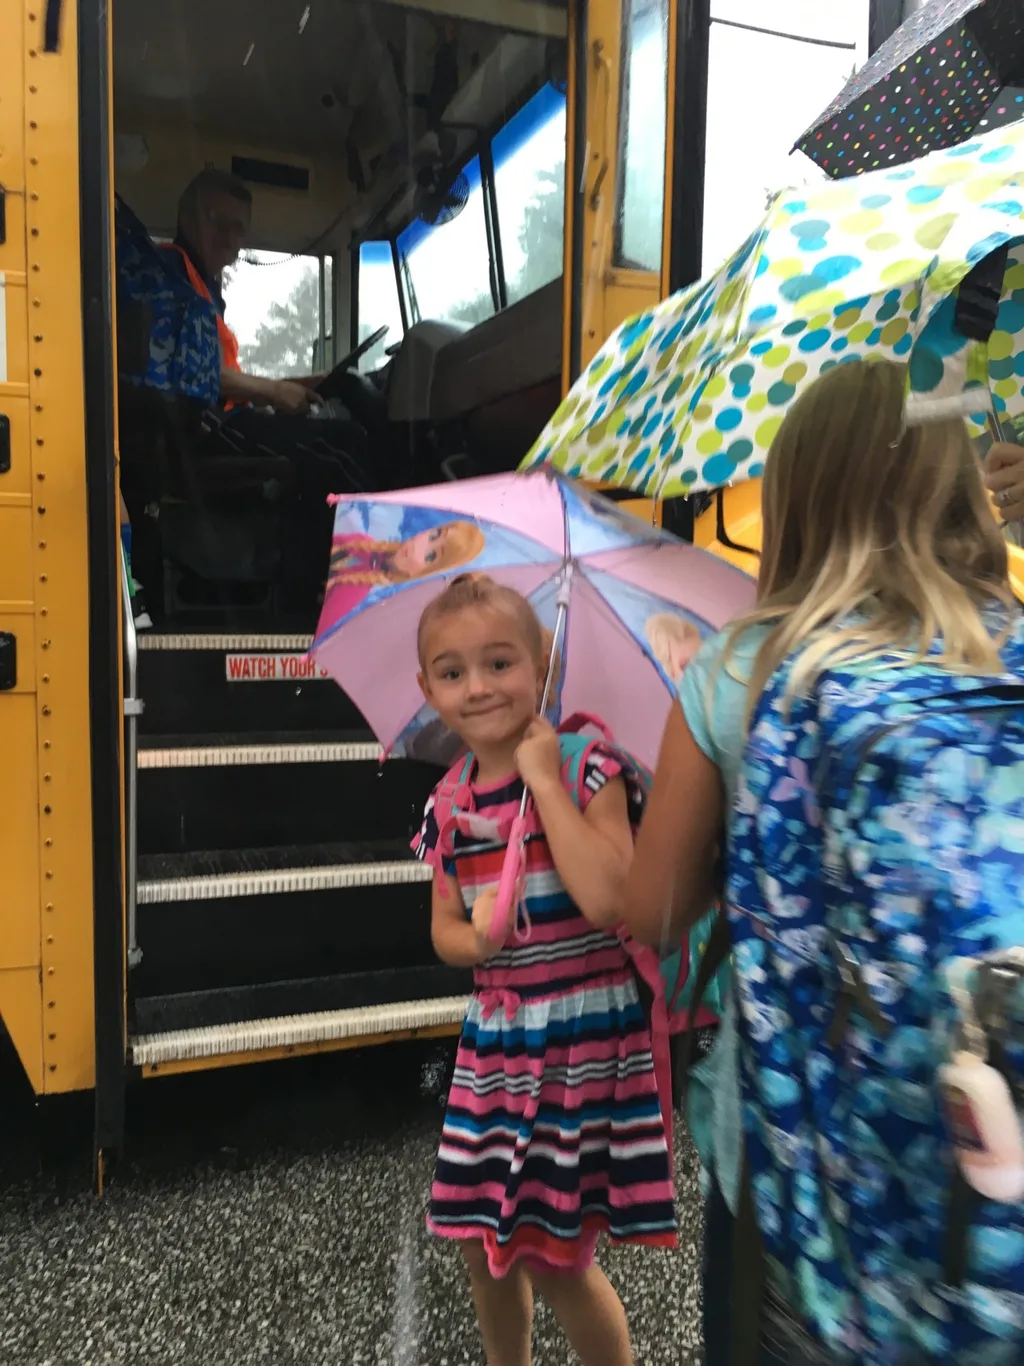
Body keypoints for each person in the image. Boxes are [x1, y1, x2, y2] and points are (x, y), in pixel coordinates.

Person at [619, 359, 1023, 1364]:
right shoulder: (1009, 650)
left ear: (800, 490)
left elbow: (656, 908)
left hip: (795, 1171)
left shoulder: (744, 665)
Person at [413, 573, 676, 1366]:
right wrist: (478, 944)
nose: (479, 687)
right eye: (452, 672)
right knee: (474, 1235)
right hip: (497, 1044)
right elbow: (444, 931)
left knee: (553, 1255)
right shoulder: (448, 801)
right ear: (426, 688)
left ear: (543, 665)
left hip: (580, 1041)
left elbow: (607, 899)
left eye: (500, 663)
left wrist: (541, 784)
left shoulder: (587, 764)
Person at [162, 169, 323, 417]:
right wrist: (273, 391)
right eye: (215, 219)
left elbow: (221, 375)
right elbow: (191, 371)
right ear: (186, 218)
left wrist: (294, 385)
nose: (227, 237)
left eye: (236, 228)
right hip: (206, 434)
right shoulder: (167, 271)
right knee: (348, 438)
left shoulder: (202, 283)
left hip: (221, 424)